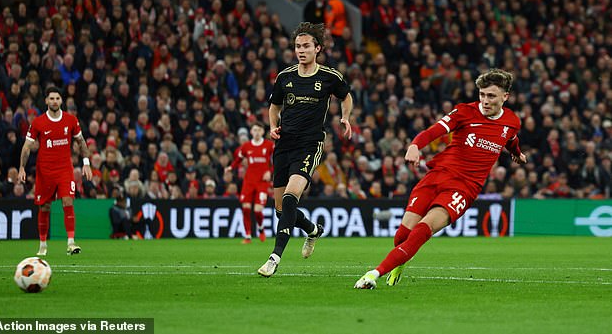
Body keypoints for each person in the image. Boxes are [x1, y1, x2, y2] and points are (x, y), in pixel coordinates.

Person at [354, 69, 527, 289]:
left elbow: (511, 139)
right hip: (437, 176)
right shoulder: (464, 112)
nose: (484, 100)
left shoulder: (512, 121)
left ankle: (373, 274)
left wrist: (517, 153)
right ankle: (402, 259)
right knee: (401, 237)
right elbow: (433, 131)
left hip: (464, 188)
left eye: (491, 96)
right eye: (482, 94)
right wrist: (415, 145)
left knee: (423, 230)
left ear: (505, 97)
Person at [258, 22, 353, 277]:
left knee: (290, 197)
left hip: (310, 144)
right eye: (298, 46)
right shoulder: (285, 77)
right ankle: (312, 230)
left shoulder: (330, 77)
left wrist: (345, 117)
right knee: (281, 210)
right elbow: (274, 106)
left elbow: (346, 96)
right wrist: (272, 126)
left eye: (306, 46)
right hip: (284, 145)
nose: (301, 50)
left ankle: (274, 257)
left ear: (317, 48)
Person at [18, 86, 93, 256]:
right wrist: (22, 167)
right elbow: (27, 147)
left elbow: (81, 141)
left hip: (65, 169)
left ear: (62, 101)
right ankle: (43, 245)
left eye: (57, 98)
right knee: (44, 207)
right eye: (51, 98)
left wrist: (86, 163)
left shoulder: (71, 120)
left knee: (68, 201)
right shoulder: (38, 122)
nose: (54, 101)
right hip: (45, 171)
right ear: (46, 101)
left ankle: (71, 243)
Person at [226, 122, 274, 244]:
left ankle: (261, 229)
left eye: (259, 130)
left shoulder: (269, 145)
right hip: (249, 181)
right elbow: (238, 159)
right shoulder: (246, 146)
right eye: (254, 130)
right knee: (246, 208)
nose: (257, 132)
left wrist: (270, 171)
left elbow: (278, 160)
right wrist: (231, 168)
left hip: (262, 182)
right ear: (251, 132)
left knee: (258, 210)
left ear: (263, 132)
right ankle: (248, 236)